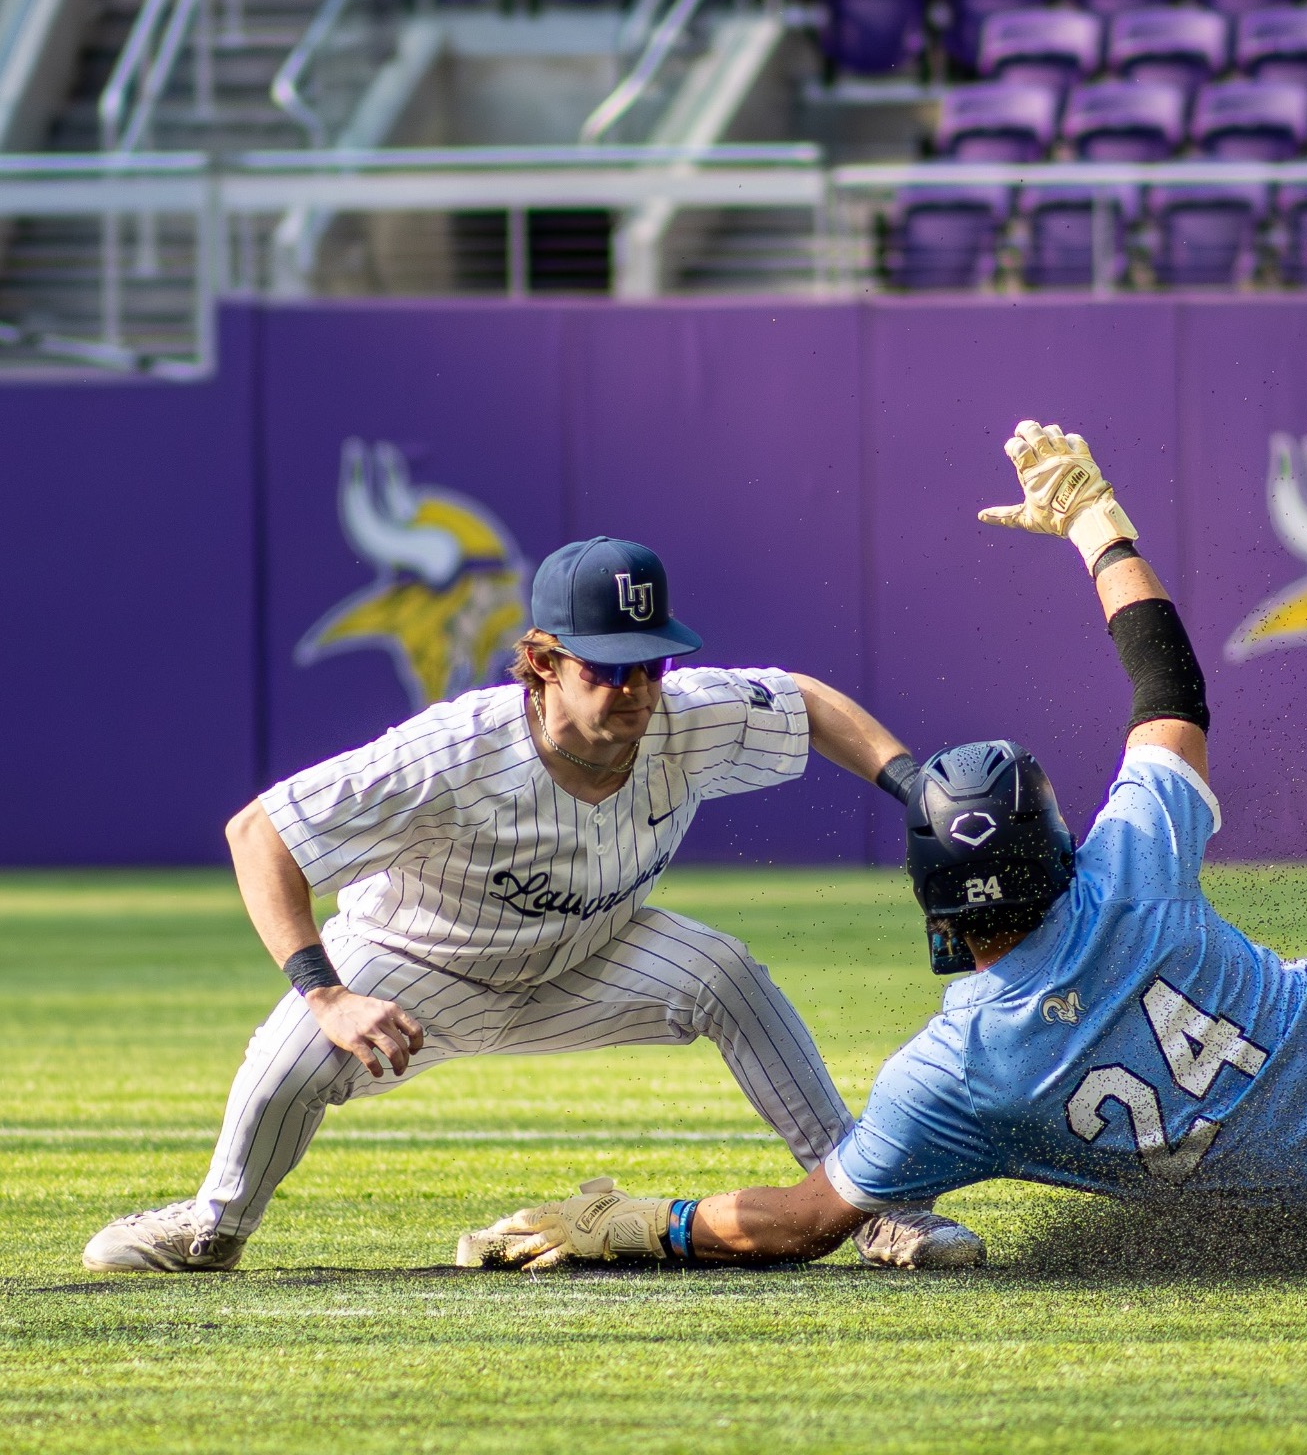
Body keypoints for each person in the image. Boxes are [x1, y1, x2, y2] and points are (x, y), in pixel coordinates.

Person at [450, 428, 1307, 1273]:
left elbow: (800, 1220)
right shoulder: (1131, 869)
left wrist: (633, 1225)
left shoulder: (957, 1074)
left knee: (1298, 1191)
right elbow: (1173, 692)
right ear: (1057, 842)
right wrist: (1099, 525)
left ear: (936, 902)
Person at [84, 536, 982, 1273]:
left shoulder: (683, 717)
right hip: (414, 967)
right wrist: (326, 992)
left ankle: (875, 1206)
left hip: (585, 959)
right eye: (606, 668)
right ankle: (213, 1226)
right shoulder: (451, 753)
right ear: (543, 662)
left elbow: (809, 703)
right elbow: (259, 833)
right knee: (287, 1066)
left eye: (651, 662)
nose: (633, 688)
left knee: (723, 970)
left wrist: (913, 789)